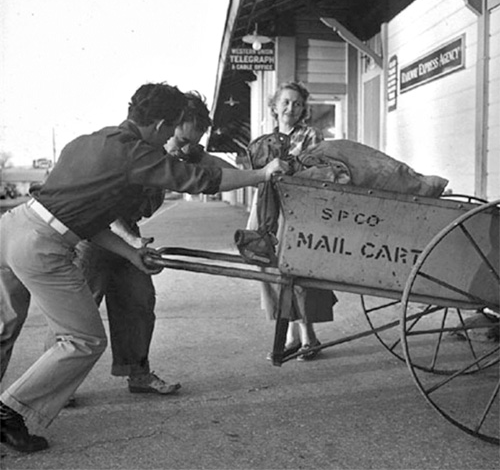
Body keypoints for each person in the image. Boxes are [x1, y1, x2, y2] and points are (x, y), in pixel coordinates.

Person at [0, 82, 288, 453]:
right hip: (41, 245)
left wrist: (131, 253)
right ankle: (10, 412)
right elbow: (199, 179)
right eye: (170, 130)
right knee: (84, 339)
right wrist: (262, 175)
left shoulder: (91, 140)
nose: (171, 138)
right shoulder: (135, 153)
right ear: (160, 125)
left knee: (4, 326)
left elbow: (84, 219)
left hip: (13, 227)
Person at [45, 91, 224, 404]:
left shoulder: (174, 154)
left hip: (129, 235)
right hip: (95, 234)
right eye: (180, 140)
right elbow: (104, 211)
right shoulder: (126, 151)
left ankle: (138, 373)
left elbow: (215, 170)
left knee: (139, 301)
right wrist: (132, 242)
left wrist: (260, 176)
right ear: (164, 126)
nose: (184, 150)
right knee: (76, 310)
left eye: (191, 144)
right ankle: (54, 384)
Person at [244, 81, 337, 361]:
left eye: (297, 104)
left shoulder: (311, 136)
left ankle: (309, 336)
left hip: (298, 208)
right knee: (270, 267)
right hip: (267, 207)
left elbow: (318, 169)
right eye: (285, 102)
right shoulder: (262, 143)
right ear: (274, 106)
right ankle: (290, 335)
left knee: (298, 271)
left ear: (303, 109)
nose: (290, 108)